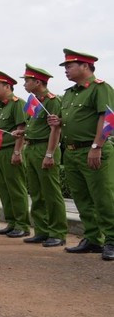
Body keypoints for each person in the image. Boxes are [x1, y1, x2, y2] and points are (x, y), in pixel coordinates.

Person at [47, 49, 114, 260]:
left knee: (103, 197)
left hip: (93, 150)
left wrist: (97, 147)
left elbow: (108, 119)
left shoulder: (99, 88)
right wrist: (59, 122)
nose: (66, 70)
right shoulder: (69, 93)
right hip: (73, 151)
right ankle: (93, 238)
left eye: (69, 66)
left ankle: (112, 239)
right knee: (82, 199)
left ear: (85, 66)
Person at [17, 64, 67, 247]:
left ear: (38, 82)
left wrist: (50, 154)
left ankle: (57, 232)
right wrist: (21, 134)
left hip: (44, 148)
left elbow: (55, 129)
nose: (24, 84)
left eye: (27, 81)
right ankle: (42, 230)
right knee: (37, 192)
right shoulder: (35, 102)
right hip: (31, 148)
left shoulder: (52, 101)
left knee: (51, 193)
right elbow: (33, 127)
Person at [0, 71, 30, 237]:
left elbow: (21, 129)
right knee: (4, 189)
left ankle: (22, 224)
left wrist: (17, 151)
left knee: (16, 189)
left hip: (11, 150)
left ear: (7, 86)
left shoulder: (17, 103)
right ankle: (12, 222)